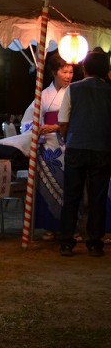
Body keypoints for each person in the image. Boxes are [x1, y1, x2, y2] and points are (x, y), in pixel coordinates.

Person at [58, 49, 111, 257]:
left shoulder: (73, 89)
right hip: (103, 149)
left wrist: (68, 138)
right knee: (98, 198)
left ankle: (66, 242)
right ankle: (95, 243)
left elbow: (63, 122)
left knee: (72, 196)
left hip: (76, 147)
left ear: (85, 68)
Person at [18, 54, 74, 241]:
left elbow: (76, 120)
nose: (68, 76)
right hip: (47, 147)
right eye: (64, 72)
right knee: (46, 187)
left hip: (67, 145)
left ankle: (69, 228)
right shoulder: (43, 95)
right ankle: (50, 227)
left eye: (71, 72)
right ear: (54, 72)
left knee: (69, 187)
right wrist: (39, 128)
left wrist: (56, 127)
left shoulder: (74, 92)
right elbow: (28, 119)